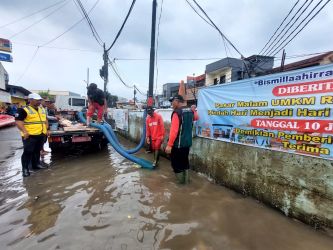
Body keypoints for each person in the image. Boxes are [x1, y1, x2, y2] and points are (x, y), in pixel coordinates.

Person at [165, 95, 198, 184]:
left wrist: (169, 145)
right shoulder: (190, 111)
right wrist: (194, 110)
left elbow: (174, 131)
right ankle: (186, 184)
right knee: (184, 163)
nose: (171, 104)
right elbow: (196, 118)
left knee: (176, 165)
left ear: (178, 101)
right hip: (187, 144)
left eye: (172, 102)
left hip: (178, 145)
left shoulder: (177, 113)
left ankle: (181, 185)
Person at [15, 93, 48, 177]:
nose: (39, 102)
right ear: (30, 100)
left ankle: (36, 165)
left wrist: (47, 129)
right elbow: (18, 121)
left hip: (41, 134)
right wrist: (24, 131)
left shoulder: (42, 109)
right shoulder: (23, 110)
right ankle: (25, 169)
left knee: (37, 151)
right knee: (28, 152)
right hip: (30, 135)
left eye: (39, 100)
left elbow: (45, 119)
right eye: (37, 100)